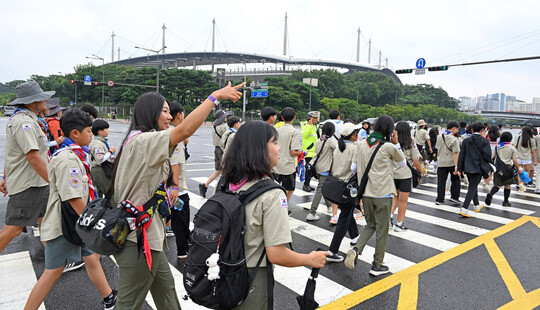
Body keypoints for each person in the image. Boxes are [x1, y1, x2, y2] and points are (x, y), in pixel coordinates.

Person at [111, 83, 243, 310]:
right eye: (164, 111)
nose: (170, 116)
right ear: (149, 113)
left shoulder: (136, 139)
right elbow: (184, 130)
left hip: (148, 238)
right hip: (139, 241)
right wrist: (213, 97)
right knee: (128, 303)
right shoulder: (144, 141)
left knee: (167, 293)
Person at [220, 120, 328, 309]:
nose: (279, 148)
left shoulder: (225, 183)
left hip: (223, 269)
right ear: (259, 148)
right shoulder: (272, 193)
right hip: (252, 276)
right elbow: (276, 254)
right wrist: (310, 259)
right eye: (274, 143)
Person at [24, 108, 117, 310]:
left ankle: (109, 297)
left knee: (92, 257)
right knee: (52, 272)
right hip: (65, 226)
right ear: (75, 133)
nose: (91, 135)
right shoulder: (68, 159)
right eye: (89, 131)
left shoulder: (76, 154)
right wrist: (95, 223)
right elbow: (73, 199)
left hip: (78, 223)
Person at [345, 115, 405, 275]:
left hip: (365, 193)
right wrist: (396, 142)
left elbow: (353, 168)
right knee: (382, 229)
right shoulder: (389, 147)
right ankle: (377, 265)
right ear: (390, 131)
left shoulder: (361, 144)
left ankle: (356, 250)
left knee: (370, 225)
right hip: (383, 193)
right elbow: (403, 164)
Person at [0, 81, 52, 254]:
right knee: (13, 229)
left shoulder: (28, 120)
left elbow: (13, 152)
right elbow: (33, 157)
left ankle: (56, 261)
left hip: (37, 183)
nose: (45, 103)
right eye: (42, 99)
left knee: (45, 221)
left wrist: (6, 177)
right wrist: (54, 181)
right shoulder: (23, 122)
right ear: (32, 102)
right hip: (28, 184)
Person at [325, 123, 361, 262]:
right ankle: (332, 251)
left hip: (337, 185)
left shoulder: (338, 148)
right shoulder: (354, 148)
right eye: (356, 132)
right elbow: (355, 168)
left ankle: (355, 237)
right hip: (349, 186)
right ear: (353, 135)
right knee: (344, 217)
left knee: (346, 212)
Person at [168, 101, 191, 259]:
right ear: (179, 115)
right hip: (176, 189)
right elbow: (175, 163)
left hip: (164, 185)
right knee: (181, 220)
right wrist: (175, 187)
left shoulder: (163, 131)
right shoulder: (175, 134)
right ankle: (183, 250)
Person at [390, 121, 422, 231]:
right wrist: (420, 171)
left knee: (395, 197)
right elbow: (415, 160)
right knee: (403, 201)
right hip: (405, 175)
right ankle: (399, 224)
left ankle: (389, 216)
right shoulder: (411, 142)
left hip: (393, 174)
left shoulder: (392, 142)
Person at [457, 122, 491, 217]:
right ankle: (464, 208)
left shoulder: (466, 140)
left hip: (467, 167)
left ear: (472, 130)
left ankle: (476, 205)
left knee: (473, 185)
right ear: (482, 130)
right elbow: (487, 155)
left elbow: (461, 155)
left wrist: (460, 168)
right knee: (472, 187)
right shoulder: (484, 141)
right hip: (478, 167)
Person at [306, 122, 337, 221]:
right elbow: (339, 149)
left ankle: (329, 207)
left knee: (323, 187)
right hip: (325, 168)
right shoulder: (331, 141)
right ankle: (312, 212)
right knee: (320, 190)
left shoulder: (320, 139)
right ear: (332, 131)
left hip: (317, 167)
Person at [273, 107, 302, 207]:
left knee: (274, 189)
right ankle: (283, 207)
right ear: (294, 117)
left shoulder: (276, 130)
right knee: (288, 189)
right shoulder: (294, 132)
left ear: (282, 117)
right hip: (287, 167)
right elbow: (293, 152)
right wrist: (301, 153)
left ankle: (276, 206)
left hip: (275, 165)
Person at [199, 109, 230, 198]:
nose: (226, 118)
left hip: (216, 149)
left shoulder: (215, 126)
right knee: (225, 171)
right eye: (225, 117)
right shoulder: (224, 127)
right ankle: (221, 189)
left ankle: (205, 185)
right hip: (222, 150)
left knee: (218, 170)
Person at [485, 132, 522, 207]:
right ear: (510, 139)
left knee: (498, 184)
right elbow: (514, 160)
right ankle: (505, 201)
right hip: (507, 169)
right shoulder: (512, 148)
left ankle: (491, 194)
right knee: (507, 185)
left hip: (498, 169)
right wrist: (519, 168)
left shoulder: (497, 147)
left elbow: (491, 157)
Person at [435, 121, 461, 205]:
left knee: (441, 181)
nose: (457, 131)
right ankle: (454, 197)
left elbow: (437, 148)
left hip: (441, 162)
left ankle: (439, 199)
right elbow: (455, 153)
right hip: (451, 163)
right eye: (457, 129)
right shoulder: (454, 139)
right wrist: (457, 166)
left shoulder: (439, 137)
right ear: (453, 128)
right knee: (456, 180)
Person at [89, 119, 116, 197]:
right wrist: (110, 152)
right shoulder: (98, 144)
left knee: (99, 194)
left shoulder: (100, 142)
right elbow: (100, 160)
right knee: (109, 192)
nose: (107, 131)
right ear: (100, 131)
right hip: (99, 170)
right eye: (106, 129)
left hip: (100, 169)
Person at [301, 111, 320, 192]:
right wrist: (310, 125)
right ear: (309, 118)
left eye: (316, 118)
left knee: (312, 169)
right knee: (309, 169)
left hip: (315, 151)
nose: (316, 119)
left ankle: (307, 183)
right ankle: (306, 185)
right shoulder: (305, 125)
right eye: (314, 118)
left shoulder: (317, 125)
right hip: (308, 151)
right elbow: (304, 135)